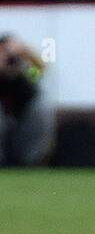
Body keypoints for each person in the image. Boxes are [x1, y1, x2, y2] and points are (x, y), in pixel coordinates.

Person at [0, 34, 55, 166]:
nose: (9, 57)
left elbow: (38, 74)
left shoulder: (25, 71)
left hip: (24, 116)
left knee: (42, 108)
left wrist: (25, 55)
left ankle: (29, 162)